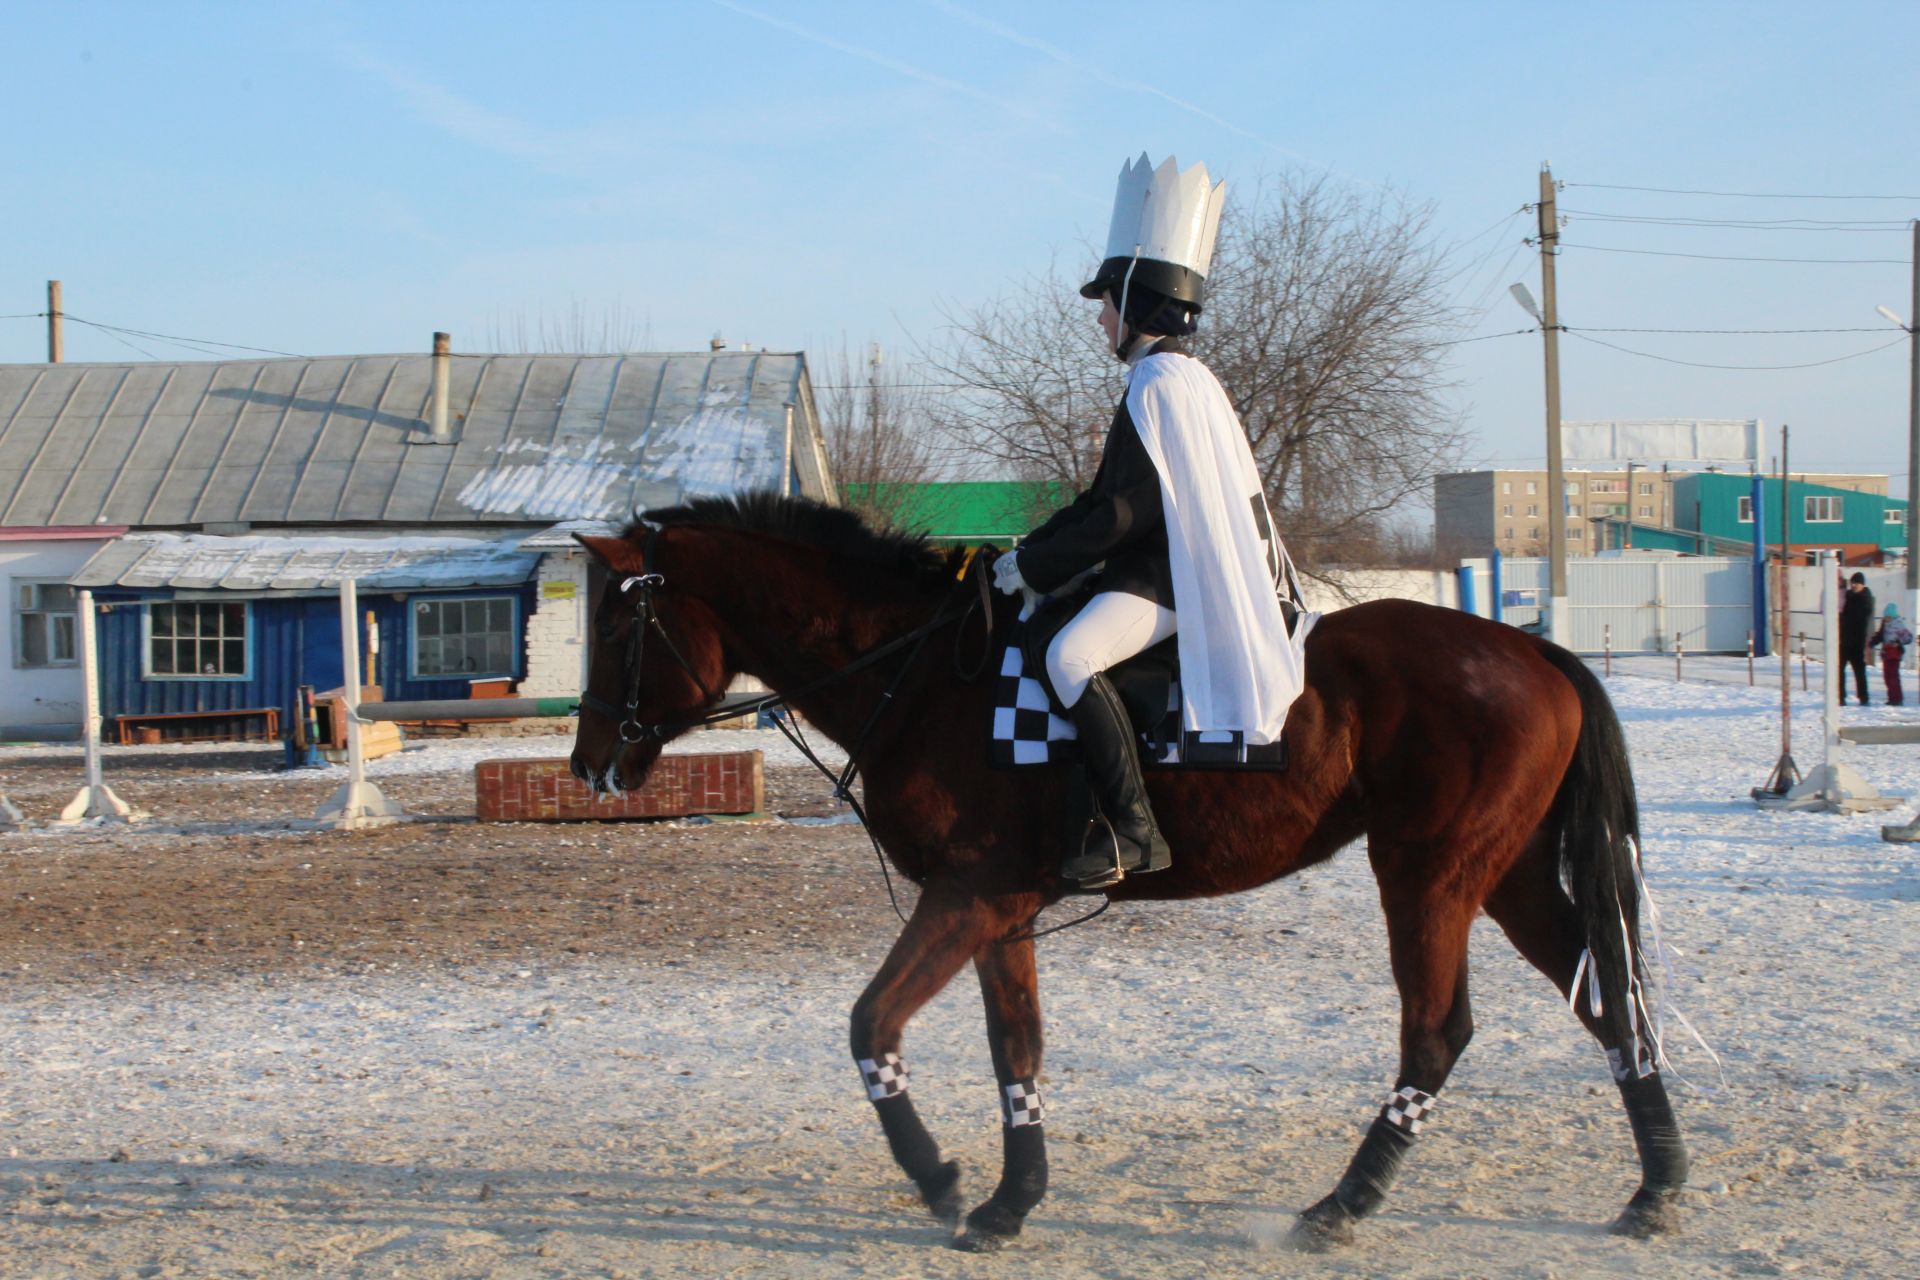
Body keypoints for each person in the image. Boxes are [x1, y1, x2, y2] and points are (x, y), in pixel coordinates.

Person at [993, 154, 1304, 891]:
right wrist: (1033, 550)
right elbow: (1106, 498)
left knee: (1068, 657)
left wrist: (1035, 568)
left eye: (1106, 301)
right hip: (1168, 568)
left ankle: (1133, 829)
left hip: (1167, 579)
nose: (1099, 316)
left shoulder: (1159, 384)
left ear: (1135, 301)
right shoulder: (1181, 380)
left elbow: (1122, 512)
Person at [1838, 571, 1875, 706]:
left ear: (1862, 584)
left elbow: (1862, 615)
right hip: (1844, 640)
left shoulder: (1865, 598)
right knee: (1839, 669)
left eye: (1856, 583)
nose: (1853, 585)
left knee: (1859, 670)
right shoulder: (1848, 595)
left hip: (1857, 641)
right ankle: (1841, 697)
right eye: (1852, 583)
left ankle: (1863, 697)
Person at [1870, 602, 1912, 707]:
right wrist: (1873, 642)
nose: (1886, 619)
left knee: (1893, 676)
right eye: (1885, 617)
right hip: (1886, 653)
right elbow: (1880, 635)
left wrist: (1898, 642)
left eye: (1888, 617)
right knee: (1887, 676)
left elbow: (1908, 638)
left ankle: (1897, 699)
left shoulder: (1898, 625)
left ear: (1893, 616)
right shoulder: (1884, 623)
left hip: (1895, 654)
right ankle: (1891, 697)